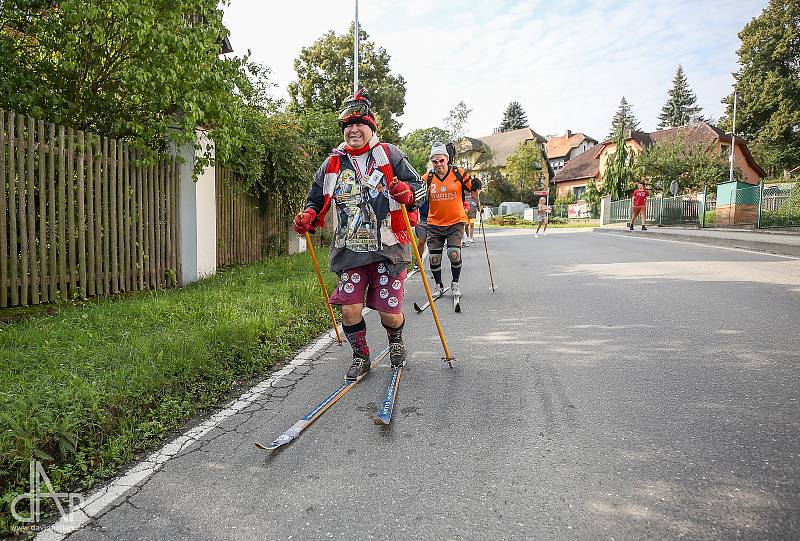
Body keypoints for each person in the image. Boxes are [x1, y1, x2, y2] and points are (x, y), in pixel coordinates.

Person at [293, 88, 426, 380]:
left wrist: (407, 193)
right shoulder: (332, 163)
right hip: (350, 250)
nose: (353, 129)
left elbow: (420, 188)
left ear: (371, 127)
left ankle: (395, 342)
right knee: (350, 309)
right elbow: (315, 198)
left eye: (360, 124)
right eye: (348, 125)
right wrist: (308, 215)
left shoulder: (389, 155)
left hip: (389, 248)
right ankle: (361, 356)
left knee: (389, 312)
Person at [424, 143, 481, 299]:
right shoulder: (427, 178)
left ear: (447, 159)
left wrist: (476, 186)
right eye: (435, 162)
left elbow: (473, 190)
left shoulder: (459, 173)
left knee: (453, 253)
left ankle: (455, 283)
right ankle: (439, 286)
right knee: (434, 258)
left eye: (441, 160)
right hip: (434, 223)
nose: (438, 164)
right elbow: (416, 196)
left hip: (456, 221)